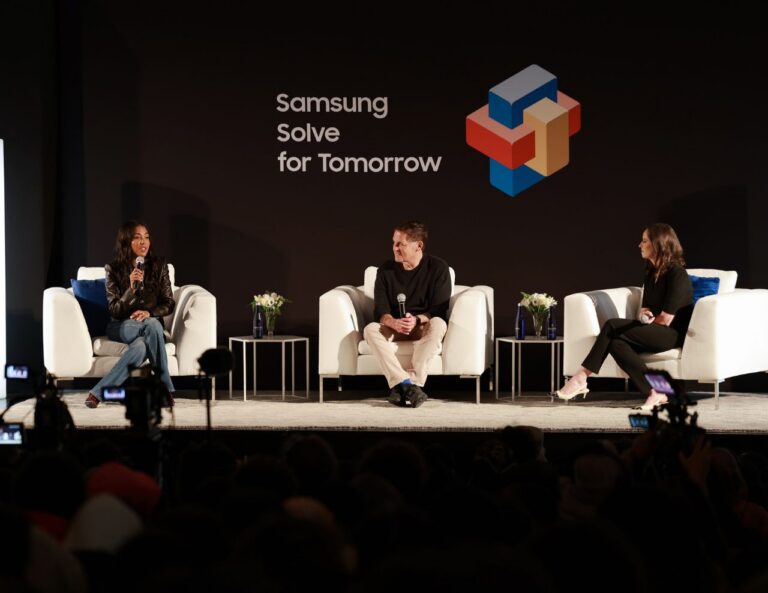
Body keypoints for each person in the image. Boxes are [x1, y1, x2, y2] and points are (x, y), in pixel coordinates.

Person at [556, 223, 693, 410]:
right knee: (615, 342)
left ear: (658, 244)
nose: (640, 245)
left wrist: (644, 325)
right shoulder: (651, 272)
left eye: (644, 241)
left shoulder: (677, 273)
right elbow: (646, 308)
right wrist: (643, 315)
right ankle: (657, 391)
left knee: (612, 326)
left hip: (671, 334)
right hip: (655, 329)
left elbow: (666, 319)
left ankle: (581, 377)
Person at [84, 221, 176, 408]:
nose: (144, 242)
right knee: (152, 326)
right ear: (126, 242)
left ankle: (97, 393)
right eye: (137, 237)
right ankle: (165, 388)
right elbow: (115, 310)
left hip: (151, 325)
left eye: (147, 237)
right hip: (122, 325)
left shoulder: (159, 265)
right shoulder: (113, 269)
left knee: (143, 342)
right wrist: (130, 291)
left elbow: (169, 303)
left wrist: (148, 312)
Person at [363, 221, 451, 408]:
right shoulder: (385, 270)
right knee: (370, 329)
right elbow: (380, 311)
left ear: (418, 245)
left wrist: (417, 320)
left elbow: (439, 309)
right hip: (394, 326)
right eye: (393, 243)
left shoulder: (437, 268)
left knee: (439, 324)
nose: (394, 248)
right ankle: (405, 384)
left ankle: (410, 383)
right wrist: (393, 322)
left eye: (400, 244)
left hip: (421, 326)